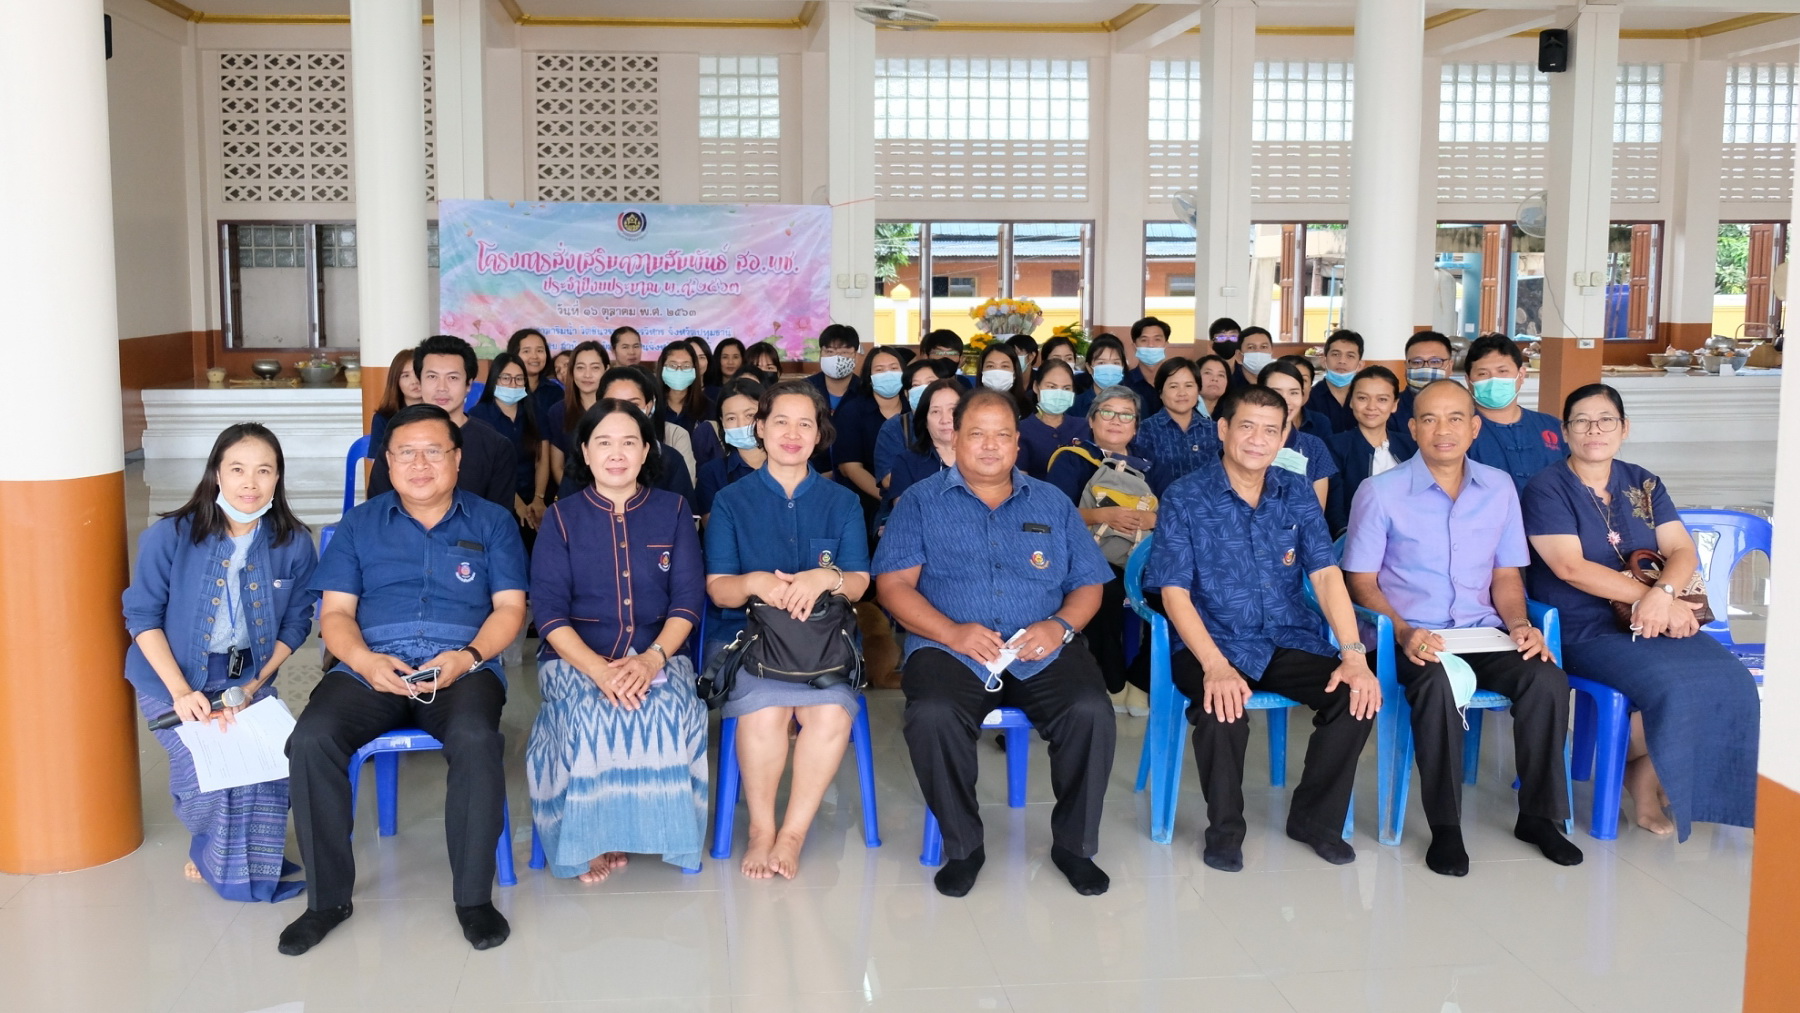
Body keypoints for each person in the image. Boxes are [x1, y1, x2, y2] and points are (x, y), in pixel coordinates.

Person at [282, 404, 527, 955]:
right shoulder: (359, 524)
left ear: (457, 459)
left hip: (462, 667)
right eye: (406, 453)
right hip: (372, 666)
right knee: (312, 739)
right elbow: (337, 616)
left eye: (433, 451)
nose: (420, 464)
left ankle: (472, 899)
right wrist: (367, 662)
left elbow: (510, 608)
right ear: (387, 463)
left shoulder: (492, 521)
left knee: (475, 738)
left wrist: (466, 657)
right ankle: (326, 902)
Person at [874, 389, 1117, 898]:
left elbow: (1089, 583)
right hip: (949, 649)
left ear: (1017, 443)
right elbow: (893, 586)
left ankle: (1074, 846)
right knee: (932, 716)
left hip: (1041, 646)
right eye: (976, 434)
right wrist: (951, 632)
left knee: (1091, 709)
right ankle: (964, 845)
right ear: (954, 437)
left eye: (1002, 434)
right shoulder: (918, 503)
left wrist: (1061, 627)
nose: (990, 446)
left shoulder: (1051, 501)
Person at [1342, 380, 1581, 876]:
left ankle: (1538, 816)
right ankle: (1446, 828)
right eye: (1429, 419)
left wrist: (1520, 625)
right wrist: (1404, 631)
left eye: (1456, 419)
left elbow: (1507, 576)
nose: (1443, 430)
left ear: (1474, 428)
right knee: (1435, 686)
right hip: (1412, 638)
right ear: (1412, 428)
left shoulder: (1498, 489)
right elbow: (1361, 583)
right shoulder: (1380, 492)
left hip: (1482, 632)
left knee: (1546, 678)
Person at [1144, 385, 1379, 873]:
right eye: (1246, 426)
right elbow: (1173, 592)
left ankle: (1314, 820)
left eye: (1271, 430)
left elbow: (1325, 574)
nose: (1257, 439)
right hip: (1213, 641)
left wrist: (1353, 653)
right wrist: (1214, 666)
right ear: (1223, 429)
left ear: (1284, 437)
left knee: (1354, 694)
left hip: (1287, 636)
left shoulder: (1294, 491)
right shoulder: (1185, 496)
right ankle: (1225, 831)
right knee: (1222, 710)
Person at [1523, 383, 1758, 840]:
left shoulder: (1643, 482)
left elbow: (1681, 550)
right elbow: (1570, 568)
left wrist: (1662, 595)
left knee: (1734, 681)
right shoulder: (1546, 488)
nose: (1595, 429)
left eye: (1606, 419)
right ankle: (1646, 782)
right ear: (1565, 432)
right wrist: (1650, 598)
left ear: (1624, 428)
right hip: (1584, 628)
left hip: (1658, 615)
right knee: (1672, 687)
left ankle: (1657, 775)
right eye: (1582, 421)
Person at [122, 423, 317, 902]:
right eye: (237, 469)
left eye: (263, 471)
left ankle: (245, 856)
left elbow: (297, 623)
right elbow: (141, 616)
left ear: (277, 479)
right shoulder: (169, 536)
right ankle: (217, 853)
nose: (249, 483)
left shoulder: (292, 542)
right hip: (170, 677)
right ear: (216, 475)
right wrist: (181, 692)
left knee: (266, 764)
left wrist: (253, 687)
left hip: (248, 677)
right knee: (209, 775)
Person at [527, 399, 708, 880]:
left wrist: (651, 661)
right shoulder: (562, 519)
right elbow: (547, 612)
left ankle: (664, 834)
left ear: (647, 450)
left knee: (670, 712)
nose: (616, 453)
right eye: (603, 442)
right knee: (589, 716)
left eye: (629, 442)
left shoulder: (673, 510)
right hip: (575, 659)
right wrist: (600, 670)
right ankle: (591, 839)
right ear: (584, 452)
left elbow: (688, 601)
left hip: (660, 653)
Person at [704, 380, 872, 879]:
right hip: (752, 642)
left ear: (819, 434)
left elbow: (861, 583)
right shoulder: (732, 501)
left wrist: (828, 578)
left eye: (805, 423)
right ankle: (761, 829)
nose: (792, 434)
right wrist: (754, 582)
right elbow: (718, 590)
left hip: (826, 646)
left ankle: (793, 833)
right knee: (766, 712)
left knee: (828, 717)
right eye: (780, 422)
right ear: (760, 428)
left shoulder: (841, 502)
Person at [1045, 387, 1154, 714]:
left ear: (1135, 425)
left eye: (1126, 415)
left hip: (1143, 556)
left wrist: (1151, 518)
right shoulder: (1071, 459)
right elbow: (1052, 514)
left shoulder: (1149, 464)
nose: (1116, 421)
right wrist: (1102, 515)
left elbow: (1175, 513)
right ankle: (1113, 680)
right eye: (1107, 412)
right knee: (1101, 591)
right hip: (1088, 555)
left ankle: (1142, 681)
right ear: (1091, 421)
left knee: (1181, 591)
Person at [368, 335, 516, 509]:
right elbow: (377, 511)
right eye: (432, 377)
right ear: (420, 381)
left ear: (468, 384)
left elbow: (498, 521)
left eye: (452, 378)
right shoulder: (396, 441)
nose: (441, 388)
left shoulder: (496, 446)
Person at [1464, 333, 1568, 493]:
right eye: (1483, 374)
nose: (1494, 380)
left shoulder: (1553, 427)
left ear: (1521, 375)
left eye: (1503, 371)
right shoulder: (1459, 431)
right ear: (1469, 381)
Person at [1325, 365, 1416, 537]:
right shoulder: (1335, 446)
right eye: (1362, 398)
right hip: (1356, 542)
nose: (1371, 407)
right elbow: (1334, 508)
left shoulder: (1410, 446)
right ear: (1351, 401)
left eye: (1382, 399)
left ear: (1394, 404)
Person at [467, 351, 550, 537]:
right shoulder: (478, 415)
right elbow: (490, 469)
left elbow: (542, 459)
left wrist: (539, 498)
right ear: (494, 380)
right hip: (496, 500)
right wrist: (517, 504)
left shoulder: (535, 412)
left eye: (519, 379)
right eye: (506, 378)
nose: (513, 384)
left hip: (534, 499)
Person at [833, 345, 911, 511]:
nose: (888, 374)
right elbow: (851, 468)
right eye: (880, 370)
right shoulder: (852, 411)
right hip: (864, 503)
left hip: (912, 499)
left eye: (894, 368)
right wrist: (890, 499)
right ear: (869, 377)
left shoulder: (914, 410)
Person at [1134, 357, 1220, 497]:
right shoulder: (1145, 430)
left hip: (1207, 511)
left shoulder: (1214, 430)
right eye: (1174, 386)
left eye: (1189, 385)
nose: (1182, 393)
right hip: (1162, 510)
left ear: (1198, 390)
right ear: (1161, 392)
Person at [1257, 359, 1337, 509]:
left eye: (1293, 392)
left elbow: (1316, 514)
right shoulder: (1245, 442)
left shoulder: (1314, 447)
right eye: (1276, 392)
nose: (1285, 400)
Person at [874, 357, 958, 493]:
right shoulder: (894, 428)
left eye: (930, 382)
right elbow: (889, 480)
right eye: (916, 385)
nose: (925, 389)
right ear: (907, 394)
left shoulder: (964, 423)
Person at [696, 375, 767, 521]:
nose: (741, 424)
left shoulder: (790, 465)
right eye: (731, 418)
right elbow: (714, 530)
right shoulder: (712, 473)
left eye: (750, 415)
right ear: (722, 422)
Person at [886, 377, 962, 506]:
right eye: (935, 411)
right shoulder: (907, 463)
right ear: (925, 421)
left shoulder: (983, 457)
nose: (945, 419)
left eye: (953, 410)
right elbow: (905, 517)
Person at [546, 340, 609, 496]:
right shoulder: (558, 411)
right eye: (580, 368)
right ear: (572, 372)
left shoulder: (617, 409)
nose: (587, 375)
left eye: (595, 368)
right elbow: (558, 467)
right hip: (574, 497)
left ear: (606, 370)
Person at [1017, 358, 1091, 479]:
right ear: (1036, 387)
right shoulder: (1022, 430)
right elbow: (1022, 480)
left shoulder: (1084, 426)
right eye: (1052, 387)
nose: (1059, 393)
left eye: (1066, 388)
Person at [1305, 329, 1364, 434]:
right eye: (1336, 354)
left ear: (1359, 365)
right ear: (1324, 361)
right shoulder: (1309, 398)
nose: (1342, 361)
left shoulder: (1366, 399)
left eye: (1350, 356)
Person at [655, 340, 715, 437]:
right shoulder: (651, 405)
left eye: (686, 366)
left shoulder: (709, 408)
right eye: (672, 365)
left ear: (694, 369)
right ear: (662, 367)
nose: (679, 370)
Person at [368, 347, 422, 451]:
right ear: (396, 381)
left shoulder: (441, 414)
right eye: (405, 376)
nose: (414, 381)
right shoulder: (383, 419)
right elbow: (378, 463)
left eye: (418, 374)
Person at [1397, 331, 1454, 426]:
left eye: (1435, 362)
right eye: (1416, 362)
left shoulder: (1464, 407)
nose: (1426, 368)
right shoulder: (1390, 409)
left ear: (1450, 366)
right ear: (1406, 367)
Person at [507, 327, 562, 418]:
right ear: (513, 354)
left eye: (539, 350)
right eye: (526, 351)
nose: (534, 356)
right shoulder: (503, 391)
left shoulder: (555, 392)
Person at [808, 324, 864, 412]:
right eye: (830, 351)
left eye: (844, 352)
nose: (836, 358)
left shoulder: (865, 391)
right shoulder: (805, 388)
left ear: (856, 356)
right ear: (820, 354)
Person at [1280, 354, 1335, 439]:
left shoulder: (1320, 422)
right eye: (1289, 379)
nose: (1297, 386)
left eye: (1303, 380)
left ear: (1311, 386)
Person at [1124, 316, 1170, 404]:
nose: (1151, 345)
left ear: (1166, 345)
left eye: (1157, 339)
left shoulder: (1175, 380)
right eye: (1144, 340)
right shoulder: (1124, 382)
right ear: (1135, 346)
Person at [976, 343, 1030, 417]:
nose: (997, 372)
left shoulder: (1027, 407)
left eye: (1005, 366)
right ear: (982, 370)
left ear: (1014, 372)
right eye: (990, 366)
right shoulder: (970, 404)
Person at [1195, 353, 1231, 418]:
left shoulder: (1232, 412)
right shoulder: (1184, 410)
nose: (1215, 379)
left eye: (1221, 375)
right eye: (1208, 373)